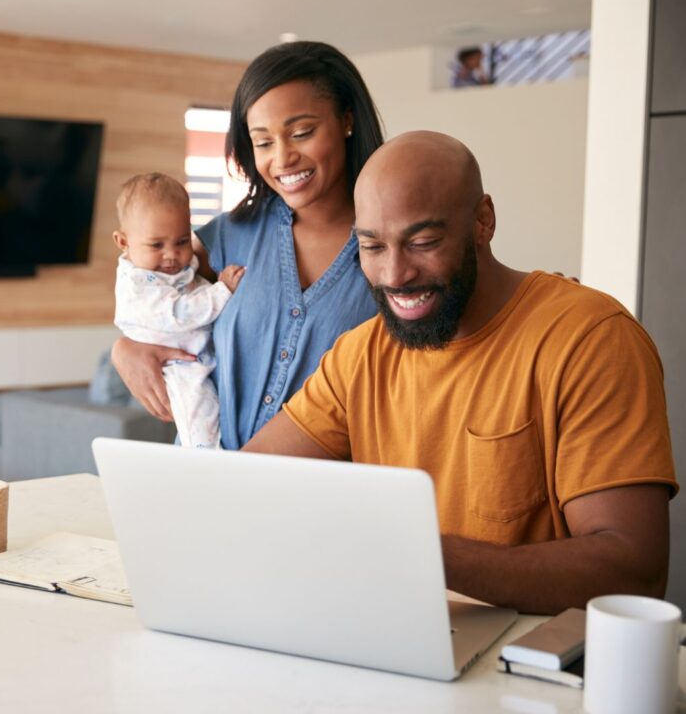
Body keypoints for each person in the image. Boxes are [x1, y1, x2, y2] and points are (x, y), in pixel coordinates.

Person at [245, 131, 678, 615]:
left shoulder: (590, 339)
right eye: (371, 247)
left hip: (531, 666)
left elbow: (633, 572)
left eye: (423, 242)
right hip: (398, 641)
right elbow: (244, 485)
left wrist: (420, 554)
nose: (394, 275)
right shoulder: (360, 354)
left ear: (483, 222)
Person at [112, 41, 384, 450]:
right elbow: (150, 295)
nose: (283, 158)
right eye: (263, 142)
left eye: (302, 133)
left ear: (347, 119)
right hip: (214, 483)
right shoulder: (229, 236)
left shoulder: (391, 248)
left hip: (328, 495)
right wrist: (125, 349)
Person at [112, 173, 245, 448]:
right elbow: (180, 314)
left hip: (194, 355)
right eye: (157, 245)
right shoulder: (137, 286)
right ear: (123, 242)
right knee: (200, 416)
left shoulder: (166, 269)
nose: (171, 255)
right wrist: (223, 290)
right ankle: (206, 460)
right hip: (176, 366)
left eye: (182, 241)